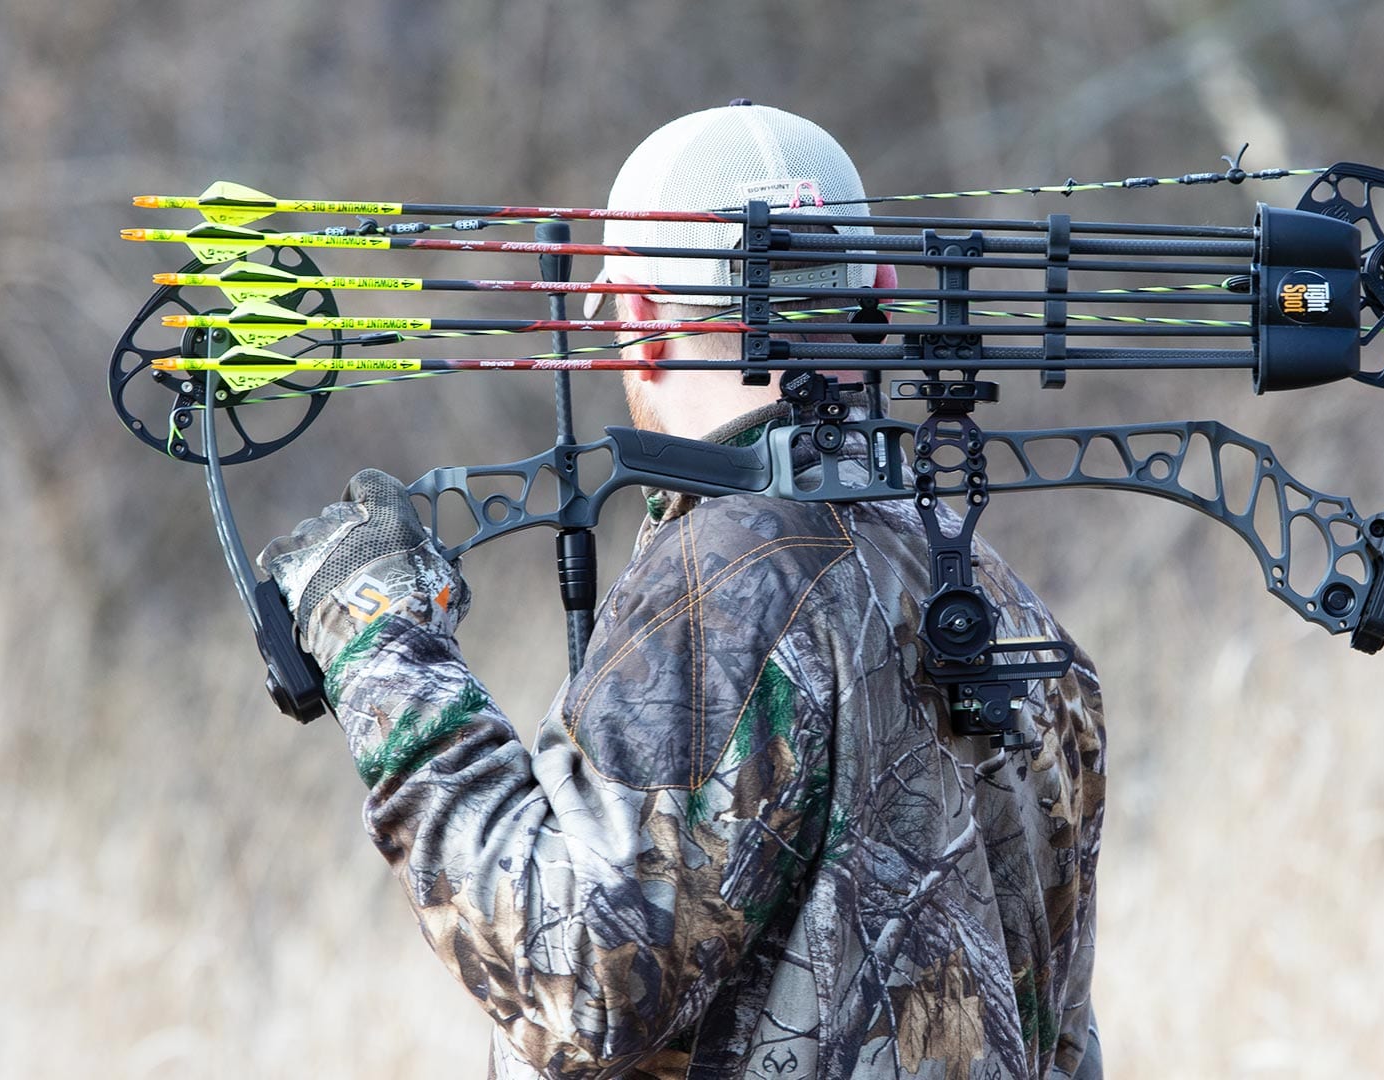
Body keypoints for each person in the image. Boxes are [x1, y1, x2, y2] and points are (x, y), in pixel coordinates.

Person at [260, 102, 1107, 1079]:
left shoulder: (725, 588)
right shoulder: (1013, 610)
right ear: (878, 292)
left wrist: (378, 645)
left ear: (636, 321)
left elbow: (574, 981)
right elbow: (1068, 1045)